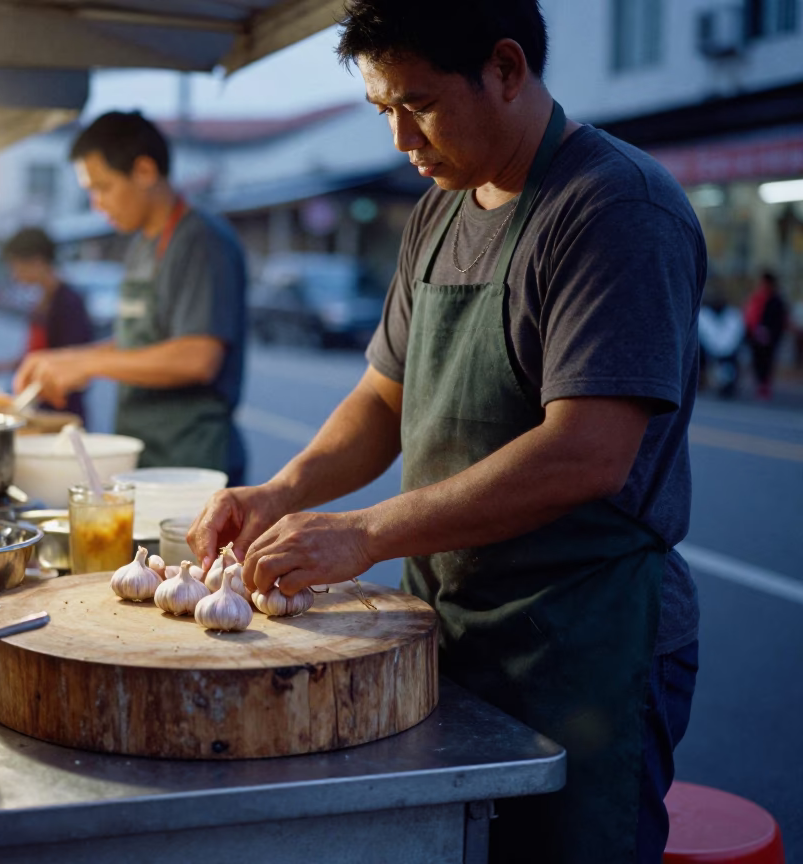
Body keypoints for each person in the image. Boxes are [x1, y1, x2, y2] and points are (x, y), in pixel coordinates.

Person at [189, 2, 704, 861]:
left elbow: (588, 451)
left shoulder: (615, 207)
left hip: (584, 639)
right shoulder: (439, 210)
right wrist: (279, 491)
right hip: (448, 626)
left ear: (506, 68)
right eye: (381, 109)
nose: (400, 140)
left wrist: (362, 533)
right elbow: (384, 400)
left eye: (418, 105)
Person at [12, 113, 248, 485]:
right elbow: (140, 342)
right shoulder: (141, 244)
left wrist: (87, 364)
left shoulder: (201, 240)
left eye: (103, 187)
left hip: (192, 466)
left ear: (144, 171)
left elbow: (197, 357)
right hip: (147, 455)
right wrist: (67, 359)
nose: (97, 204)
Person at [0, 227, 93, 423]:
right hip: (40, 405)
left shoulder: (69, 303)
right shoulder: (42, 302)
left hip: (62, 410)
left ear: (37, 262)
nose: (15, 275)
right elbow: (34, 356)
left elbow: (75, 362)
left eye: (16, 266)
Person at [743, 270, 787, 399]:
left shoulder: (776, 300)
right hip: (755, 337)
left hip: (770, 338)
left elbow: (779, 320)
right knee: (758, 360)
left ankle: (764, 384)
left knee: (767, 362)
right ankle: (760, 383)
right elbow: (750, 314)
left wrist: (770, 333)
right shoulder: (757, 297)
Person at [697, 294, 744, 398]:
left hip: (727, 350)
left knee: (730, 366)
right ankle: (701, 381)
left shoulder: (732, 315)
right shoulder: (705, 315)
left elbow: (735, 333)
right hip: (711, 349)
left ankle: (728, 385)